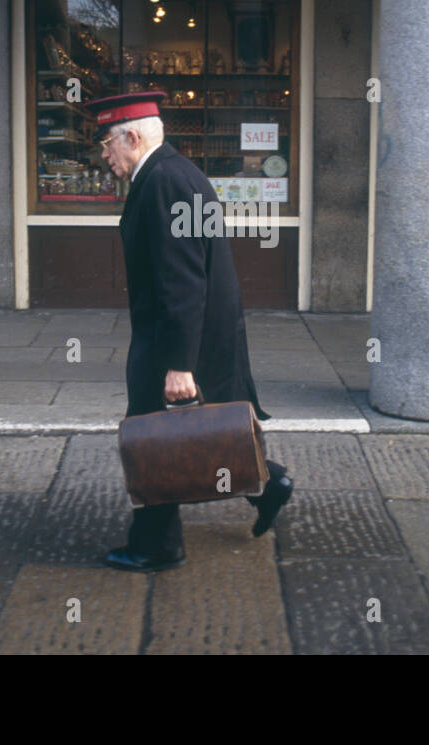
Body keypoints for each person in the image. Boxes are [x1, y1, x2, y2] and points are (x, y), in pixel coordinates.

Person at [93, 91, 294, 572]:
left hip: (175, 341)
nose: (103, 155)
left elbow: (182, 281)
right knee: (183, 432)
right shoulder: (178, 174)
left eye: (106, 143)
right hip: (195, 334)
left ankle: (157, 545)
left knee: (151, 437)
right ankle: (269, 483)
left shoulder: (163, 182)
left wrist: (179, 363)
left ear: (132, 137)